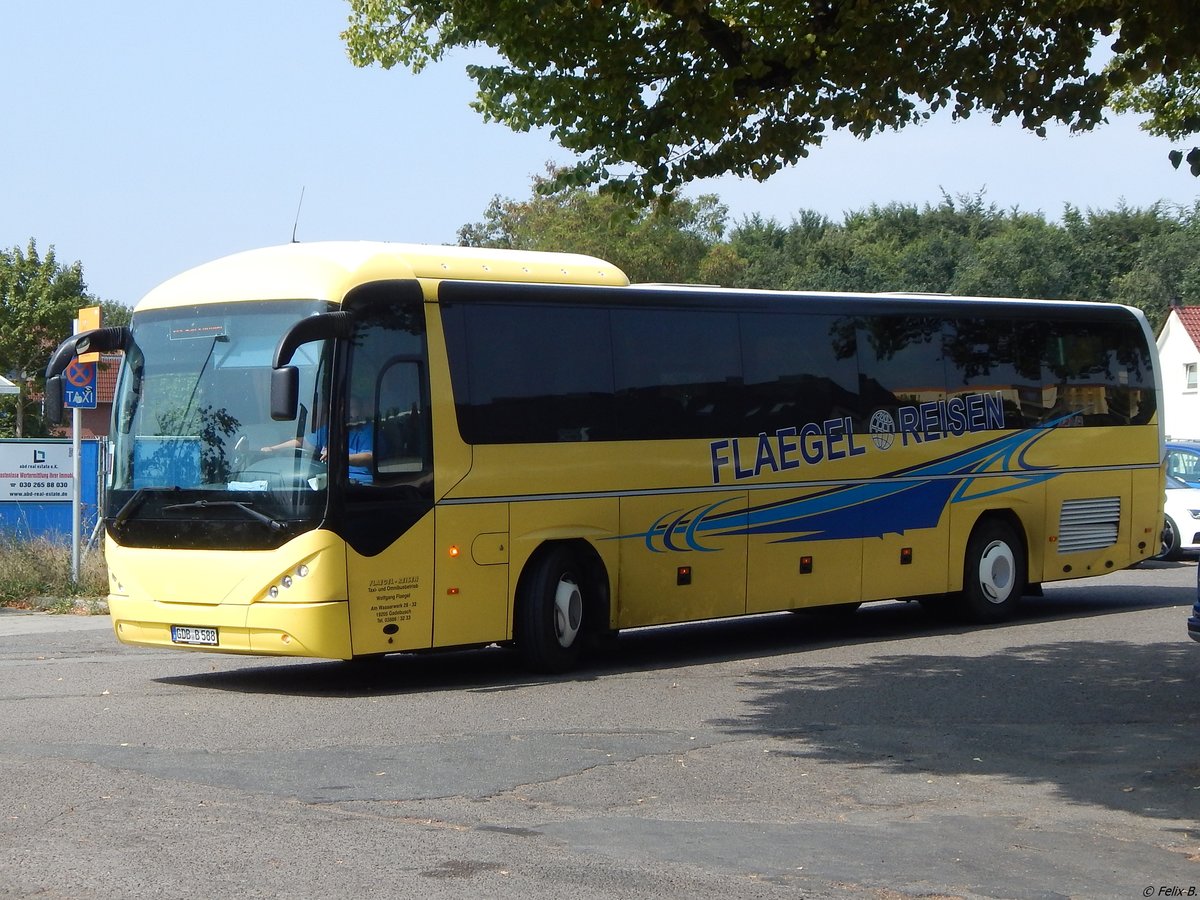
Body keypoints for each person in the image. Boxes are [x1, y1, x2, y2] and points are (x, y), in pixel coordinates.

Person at [262, 396, 374, 484]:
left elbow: (369, 456)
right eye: (344, 407)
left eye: (353, 408)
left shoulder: (366, 430)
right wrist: (273, 449)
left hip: (358, 483)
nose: (347, 411)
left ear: (360, 410)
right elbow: (302, 442)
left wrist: (339, 457)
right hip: (329, 480)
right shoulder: (330, 430)